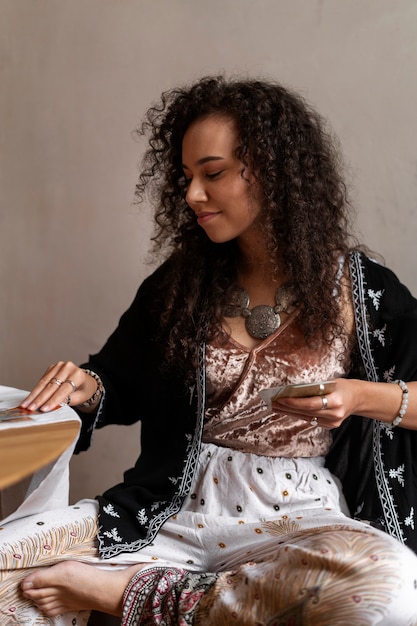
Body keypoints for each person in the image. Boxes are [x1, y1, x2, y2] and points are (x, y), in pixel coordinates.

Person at [1, 75, 417, 625]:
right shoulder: (183, 283)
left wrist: (359, 396)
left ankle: (133, 594)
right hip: (167, 510)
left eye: (213, 173)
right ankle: (163, 585)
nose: (193, 194)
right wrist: (86, 385)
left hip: (301, 518)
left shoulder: (363, 290)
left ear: (274, 171)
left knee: (390, 594)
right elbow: (118, 383)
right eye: (187, 177)